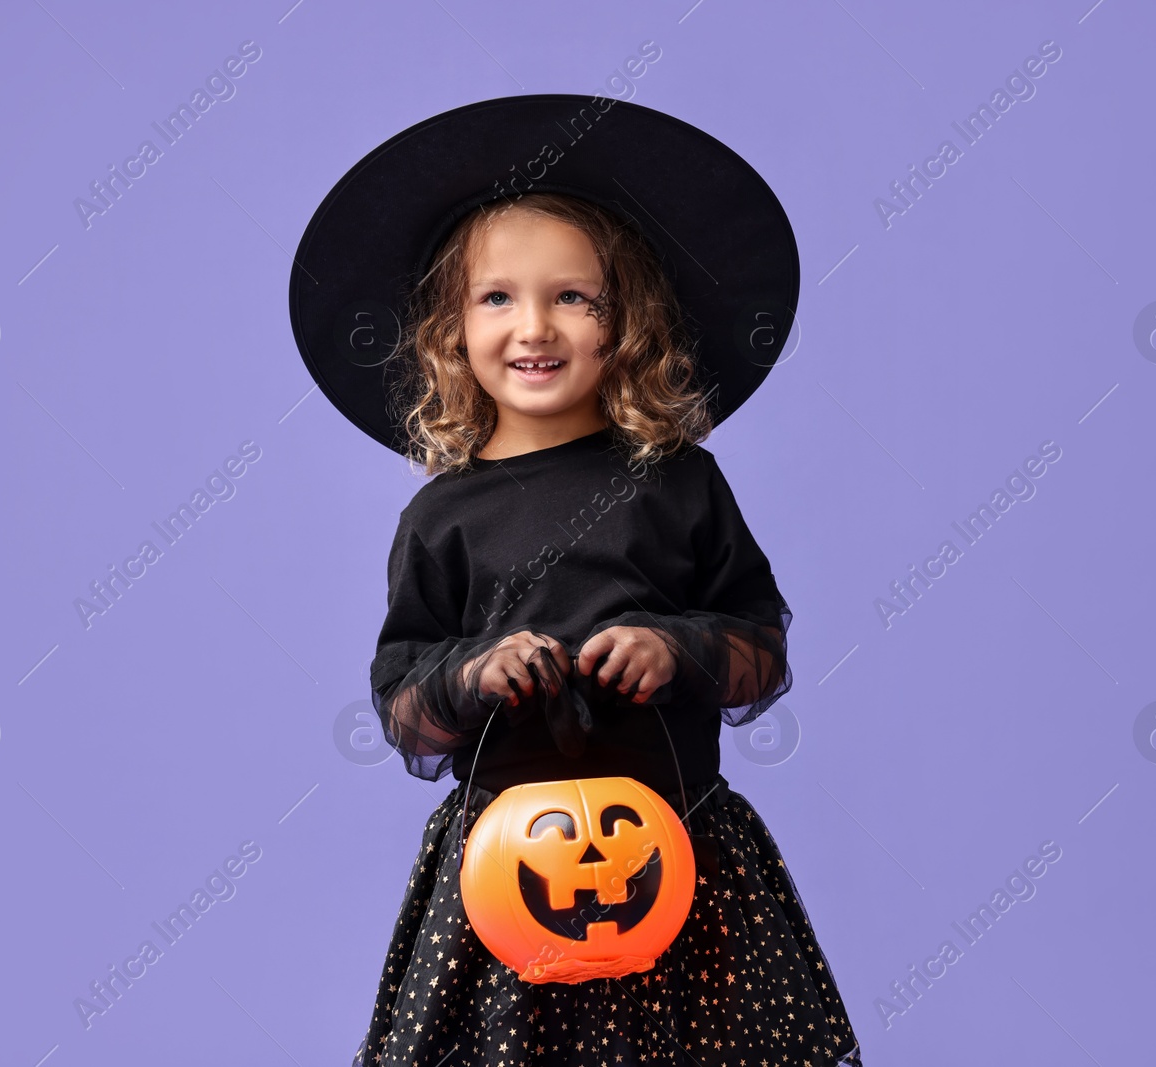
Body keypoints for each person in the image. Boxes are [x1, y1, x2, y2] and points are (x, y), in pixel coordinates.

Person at [289, 95, 862, 1066]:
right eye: (497, 296)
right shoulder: (441, 516)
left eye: (573, 296)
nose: (534, 325)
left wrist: (673, 646)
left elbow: (758, 650)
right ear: (451, 329)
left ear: (621, 322)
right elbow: (402, 698)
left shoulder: (677, 479)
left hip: (674, 844)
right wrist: (473, 674)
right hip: (507, 863)